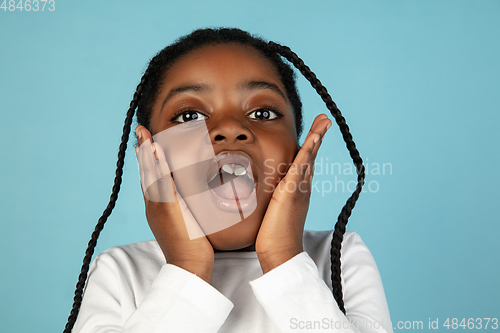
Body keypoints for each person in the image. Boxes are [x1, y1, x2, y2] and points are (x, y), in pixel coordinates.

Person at [65, 27, 393, 333]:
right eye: (189, 116)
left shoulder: (341, 256)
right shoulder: (120, 272)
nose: (229, 127)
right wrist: (187, 266)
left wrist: (284, 256)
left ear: (299, 148)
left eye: (262, 113)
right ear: (149, 155)